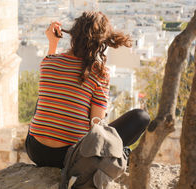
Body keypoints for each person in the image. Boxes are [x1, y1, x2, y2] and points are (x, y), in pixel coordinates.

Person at [25, 11, 150, 169]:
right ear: (102, 42)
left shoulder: (48, 63)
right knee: (141, 116)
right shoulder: (99, 73)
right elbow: (95, 125)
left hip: (35, 150)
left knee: (48, 95)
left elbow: (52, 88)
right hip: (70, 157)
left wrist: (53, 43)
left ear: (73, 35)